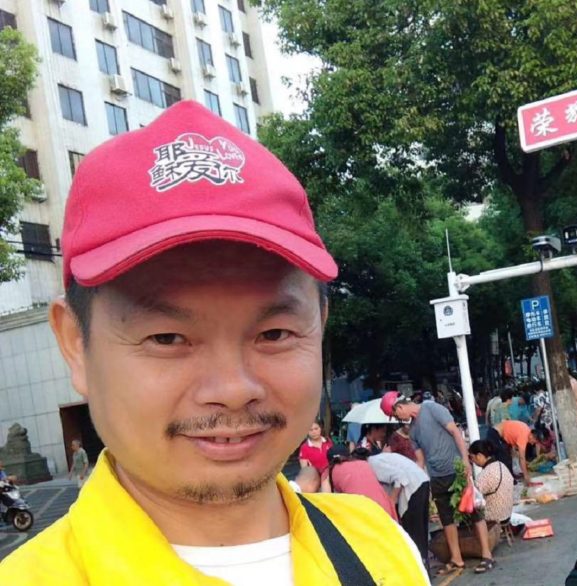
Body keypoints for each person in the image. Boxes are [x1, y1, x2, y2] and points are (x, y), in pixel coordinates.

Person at [0, 101, 427, 584]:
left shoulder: (381, 548)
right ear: (76, 343)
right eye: (166, 337)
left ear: (319, 325)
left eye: (274, 334)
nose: (232, 387)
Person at [381, 392, 496, 575]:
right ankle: (456, 559)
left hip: (456, 469)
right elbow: (420, 460)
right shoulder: (413, 431)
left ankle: (487, 555)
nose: (398, 419)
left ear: (400, 407)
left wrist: (466, 461)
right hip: (437, 477)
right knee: (446, 519)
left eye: (396, 415)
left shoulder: (432, 408)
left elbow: (455, 432)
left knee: (474, 511)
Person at [366, 451, 431, 570]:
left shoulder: (372, 464)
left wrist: (391, 501)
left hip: (413, 488)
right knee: (420, 531)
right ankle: (423, 566)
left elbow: (400, 477)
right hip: (421, 481)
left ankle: (418, 568)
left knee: (413, 533)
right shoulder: (379, 459)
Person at [321, 446, 399, 522]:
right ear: (349, 457)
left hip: (364, 517)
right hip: (387, 513)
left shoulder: (329, 471)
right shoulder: (364, 464)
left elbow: (326, 501)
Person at [468, 440, 515, 524]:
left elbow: (473, 496)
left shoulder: (486, 474)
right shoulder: (501, 464)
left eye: (471, 457)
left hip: (495, 516)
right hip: (507, 513)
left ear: (479, 456)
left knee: (468, 512)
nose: (472, 461)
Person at [493, 420, 536, 485]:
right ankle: (507, 482)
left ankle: (511, 477)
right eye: (534, 441)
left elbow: (517, 454)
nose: (532, 444)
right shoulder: (524, 435)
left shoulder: (526, 430)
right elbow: (522, 457)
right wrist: (526, 475)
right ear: (532, 436)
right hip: (495, 433)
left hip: (501, 435)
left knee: (509, 457)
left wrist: (524, 468)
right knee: (503, 459)